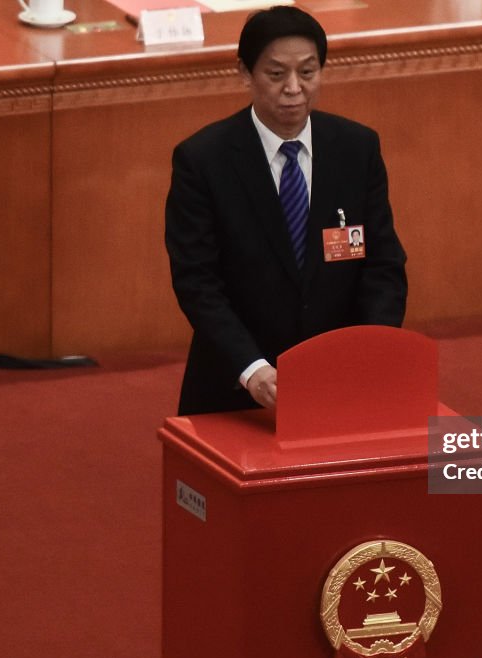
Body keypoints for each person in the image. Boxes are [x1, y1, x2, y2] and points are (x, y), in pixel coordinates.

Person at [164, 6, 407, 416]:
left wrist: (369, 353)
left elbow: (382, 265)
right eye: (276, 75)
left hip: (340, 383)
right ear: (245, 73)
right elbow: (197, 282)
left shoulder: (356, 148)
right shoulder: (204, 160)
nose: (294, 88)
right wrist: (253, 369)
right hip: (236, 388)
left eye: (308, 73)